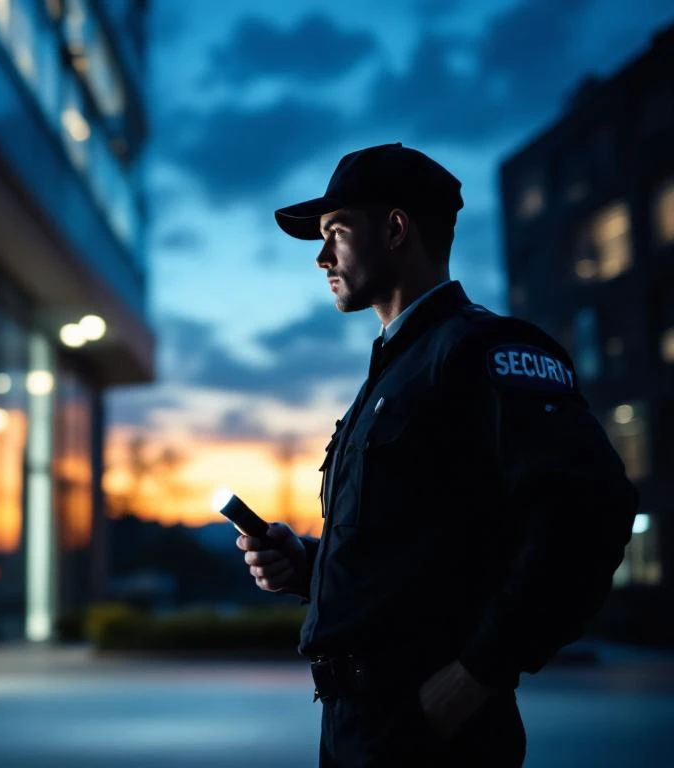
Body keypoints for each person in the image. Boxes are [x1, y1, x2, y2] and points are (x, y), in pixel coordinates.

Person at [235, 142, 638, 767]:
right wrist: (308, 565)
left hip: (433, 729)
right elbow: (417, 554)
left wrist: (479, 672)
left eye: (336, 232)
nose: (321, 257)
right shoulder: (393, 373)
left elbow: (592, 512)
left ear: (395, 229)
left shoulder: (482, 350)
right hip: (354, 725)